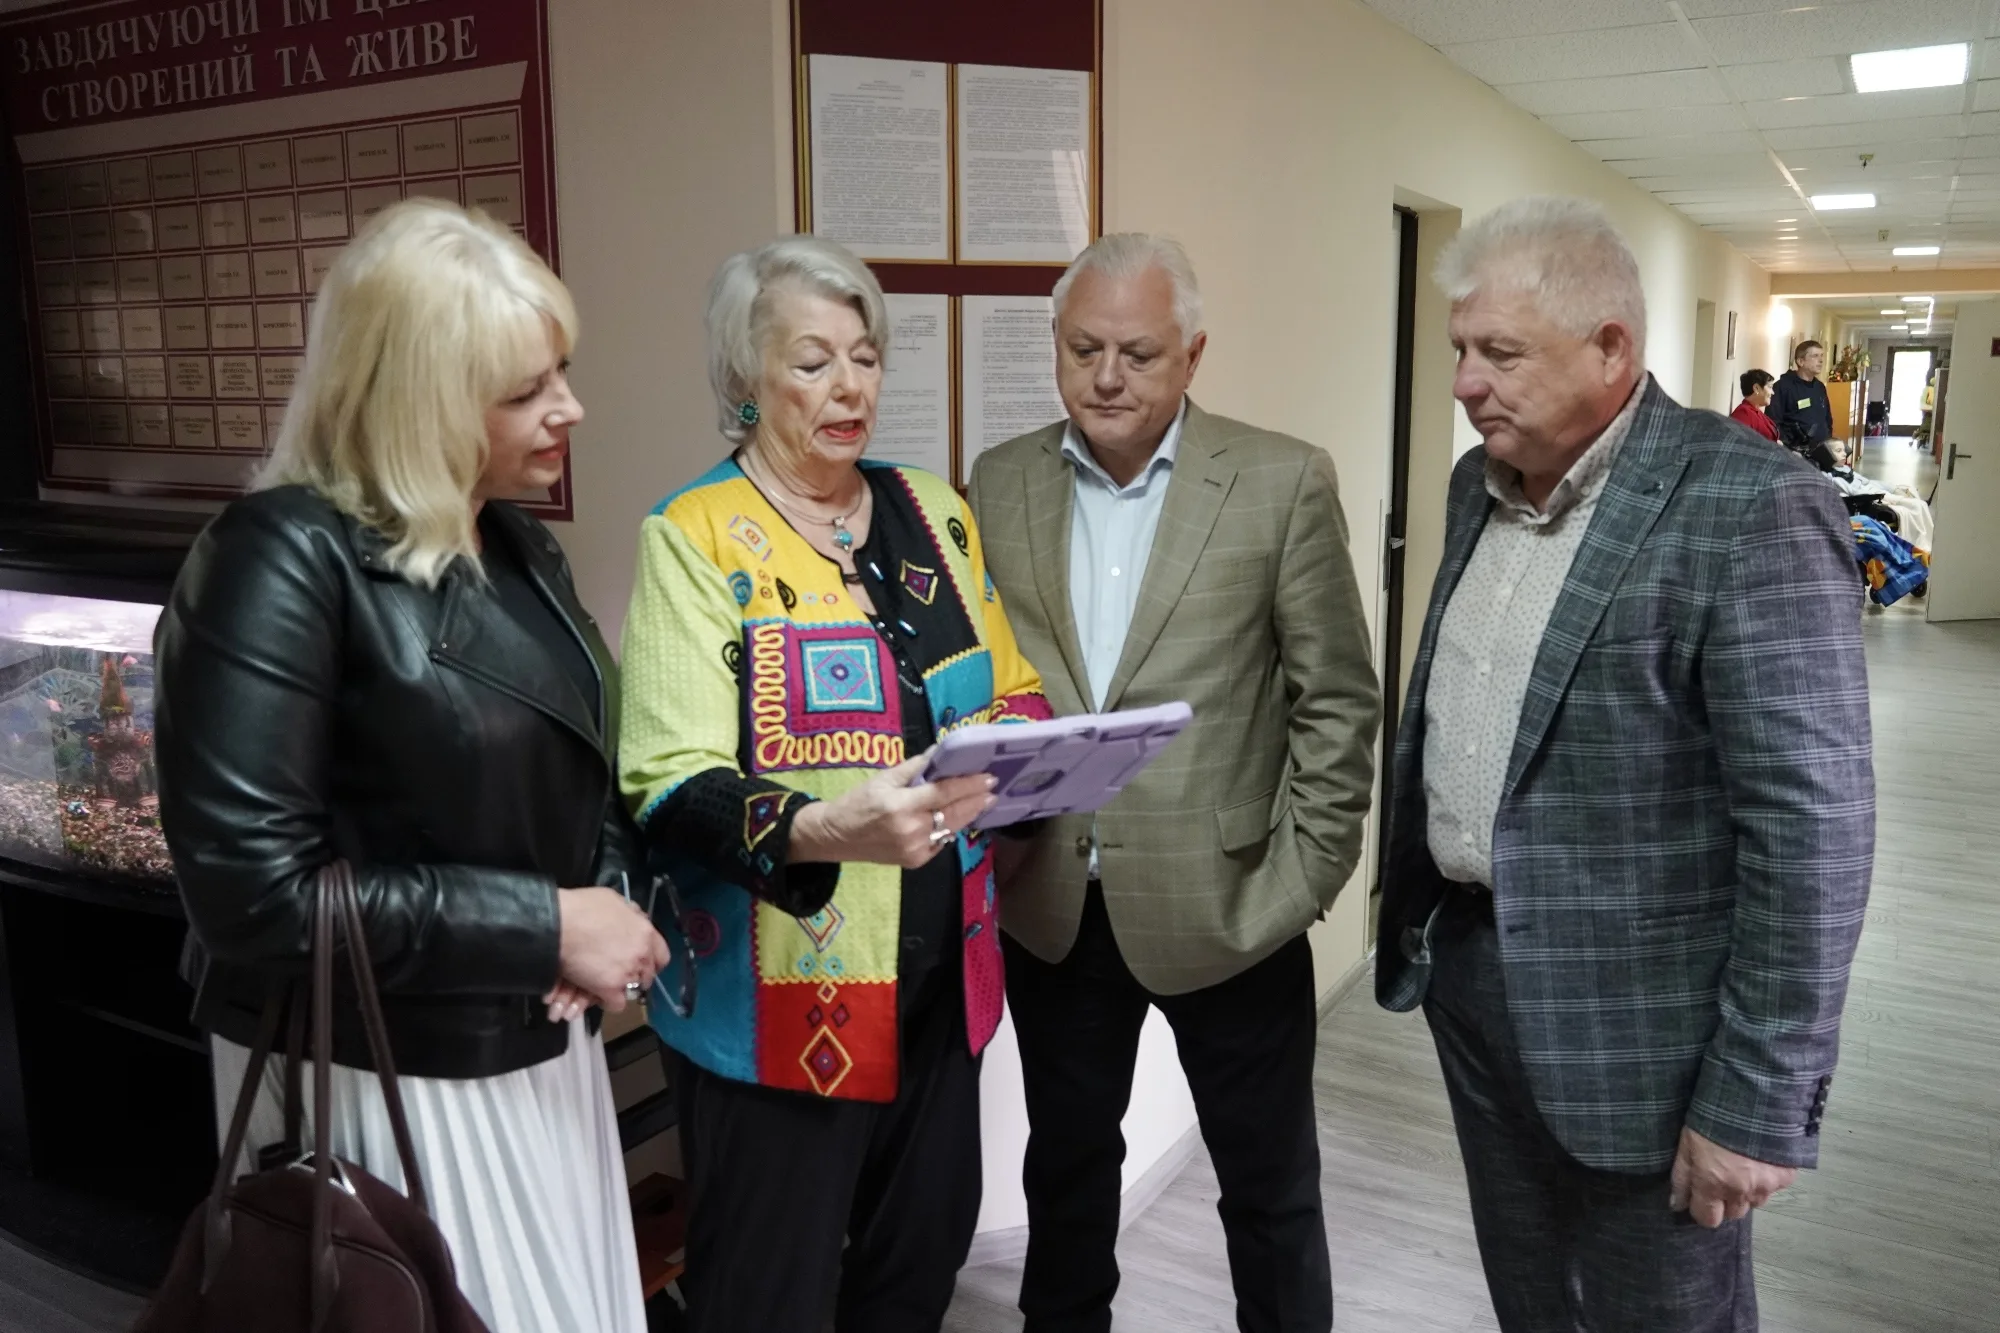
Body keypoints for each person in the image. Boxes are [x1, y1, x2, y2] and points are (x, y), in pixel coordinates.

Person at [153, 199, 665, 1333]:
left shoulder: (517, 542)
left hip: (533, 1040)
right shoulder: (276, 558)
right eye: (525, 389)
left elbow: (587, 763)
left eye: (562, 372)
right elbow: (251, 897)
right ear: (417, 398)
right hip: (381, 1067)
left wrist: (607, 901)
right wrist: (545, 924)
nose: (569, 406)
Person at [1376, 196, 1874, 1333]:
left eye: (1499, 353)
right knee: (1528, 1300)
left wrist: (1755, 1099)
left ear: (1610, 347)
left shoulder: (1750, 505)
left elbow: (1812, 835)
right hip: (1475, 978)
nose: (1463, 383)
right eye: (1459, 349)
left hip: (1651, 1039)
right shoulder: (1476, 484)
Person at [617, 235, 1051, 1332]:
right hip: (777, 1018)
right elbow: (668, 784)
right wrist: (824, 829)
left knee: (916, 1270)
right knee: (770, 1298)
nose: (848, 385)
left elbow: (1011, 688)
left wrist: (1030, 759)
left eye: (864, 357)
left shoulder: (932, 510)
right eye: (811, 362)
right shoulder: (693, 536)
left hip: (940, 992)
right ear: (745, 377)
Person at [968, 233, 1381, 1333]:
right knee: (1065, 1179)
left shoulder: (1279, 480)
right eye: (1083, 349)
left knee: (1269, 1191)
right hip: (1053, 908)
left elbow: (1338, 699)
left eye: (1139, 354)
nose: (1107, 377)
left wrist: (1302, 877)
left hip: (1232, 907)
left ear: (1192, 356)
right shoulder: (998, 481)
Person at [1767, 339, 1838, 468]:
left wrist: (1828, 440)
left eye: (1822, 355)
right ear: (1800, 361)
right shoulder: (1783, 387)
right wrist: (1789, 449)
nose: (1821, 360)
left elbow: (1827, 418)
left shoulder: (1819, 387)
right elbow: (1773, 422)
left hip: (1821, 453)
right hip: (1794, 456)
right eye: (1815, 356)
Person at [1729, 368, 1779, 441]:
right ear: (1756, 388)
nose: (1773, 392)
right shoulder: (1743, 414)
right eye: (1770, 387)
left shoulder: (1756, 411)